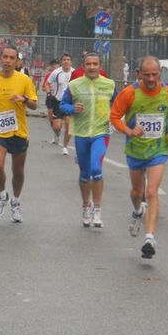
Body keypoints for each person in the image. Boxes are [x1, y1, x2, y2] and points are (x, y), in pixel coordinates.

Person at [110, 55, 168, 259]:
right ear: (139, 74)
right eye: (147, 75)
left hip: (158, 149)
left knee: (151, 191)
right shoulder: (129, 94)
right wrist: (129, 131)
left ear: (160, 74)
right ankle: (137, 211)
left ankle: (149, 238)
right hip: (135, 150)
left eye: (155, 75)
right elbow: (114, 116)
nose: (151, 79)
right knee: (136, 192)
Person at [60, 52, 116, 228]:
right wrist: (72, 108)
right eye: (89, 64)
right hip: (81, 134)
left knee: (96, 168)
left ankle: (97, 209)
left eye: (95, 64)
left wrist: (116, 121)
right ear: (83, 66)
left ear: (100, 66)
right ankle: (86, 205)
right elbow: (62, 105)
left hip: (101, 133)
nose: (92, 67)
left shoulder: (109, 85)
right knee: (85, 175)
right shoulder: (74, 85)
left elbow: (120, 104)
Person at [0, 45, 38, 222]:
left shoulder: (24, 80)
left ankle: (15, 202)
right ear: (0, 58)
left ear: (17, 61)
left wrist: (23, 99)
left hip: (19, 131)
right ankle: (2, 196)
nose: (8, 61)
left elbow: (34, 105)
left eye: (12, 58)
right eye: (5, 57)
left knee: (18, 170)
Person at [46, 53, 74, 155]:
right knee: (57, 127)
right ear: (61, 62)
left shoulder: (74, 73)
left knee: (68, 125)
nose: (66, 61)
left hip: (69, 103)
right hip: (58, 101)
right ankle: (57, 134)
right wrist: (49, 93)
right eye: (64, 60)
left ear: (71, 62)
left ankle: (65, 146)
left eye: (68, 59)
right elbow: (47, 83)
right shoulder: (56, 72)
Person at [42, 58, 60, 143]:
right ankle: (55, 133)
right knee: (50, 116)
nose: (54, 66)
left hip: (59, 98)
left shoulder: (62, 74)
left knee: (59, 118)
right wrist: (49, 90)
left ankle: (57, 132)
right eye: (52, 65)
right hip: (50, 98)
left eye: (56, 64)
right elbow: (43, 87)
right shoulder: (48, 75)